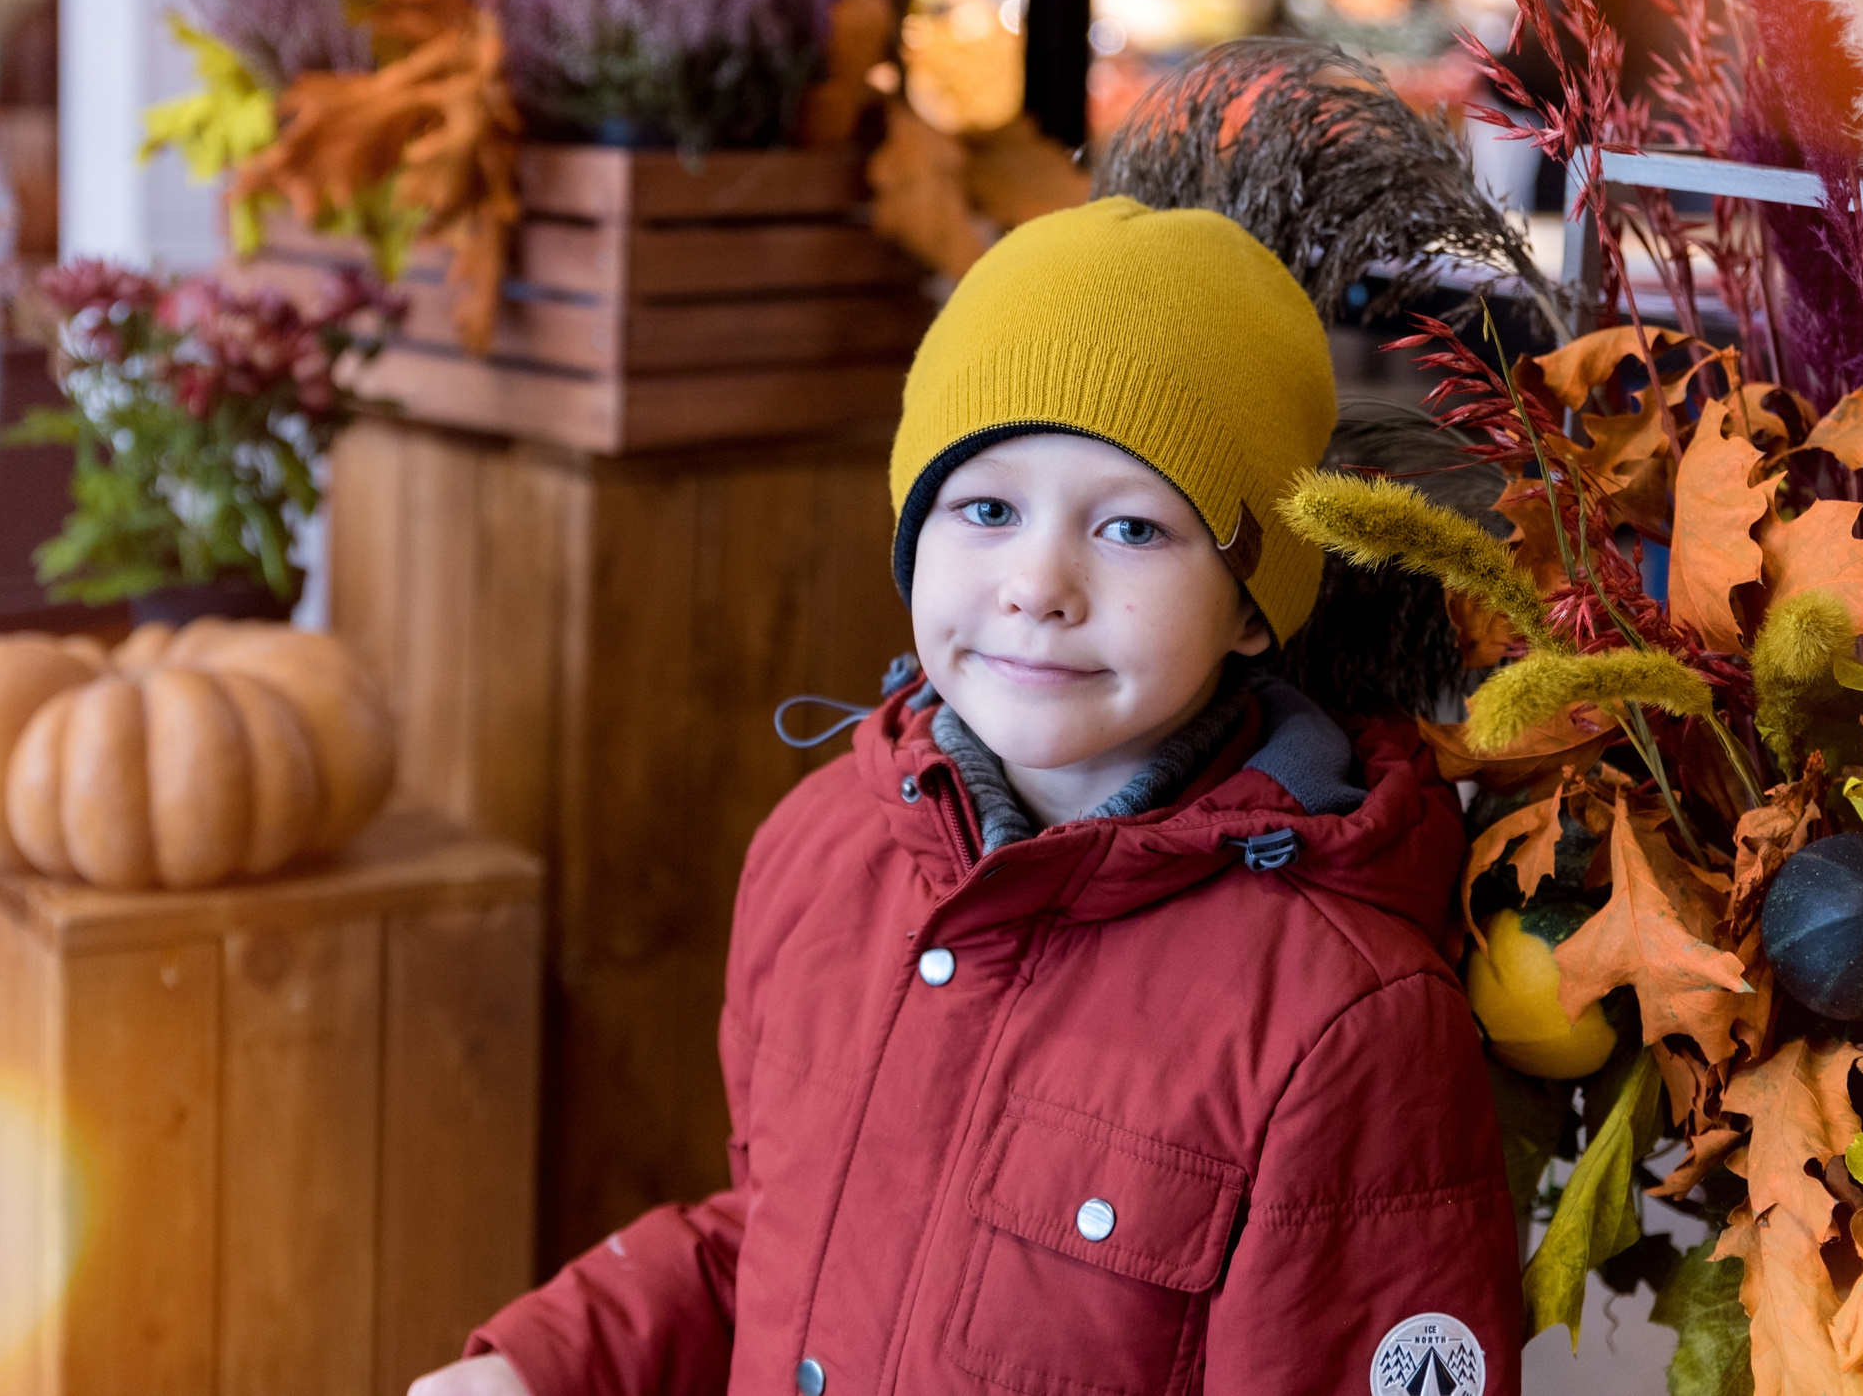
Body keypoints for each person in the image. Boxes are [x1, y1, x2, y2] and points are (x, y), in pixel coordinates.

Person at [411, 198, 1523, 1396]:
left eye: (1134, 525)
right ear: (913, 536)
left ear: (1254, 602)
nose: (1038, 582)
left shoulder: (1339, 1018)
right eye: (986, 509)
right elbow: (790, 1245)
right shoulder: (823, 851)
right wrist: (539, 1365)